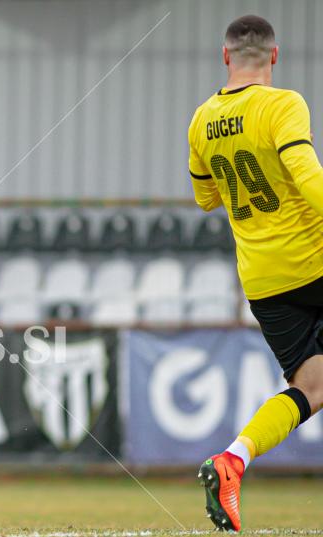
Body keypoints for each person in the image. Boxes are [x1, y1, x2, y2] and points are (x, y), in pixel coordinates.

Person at [189, 14, 323, 532]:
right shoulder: (283, 104)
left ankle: (233, 459)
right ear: (275, 55)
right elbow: (309, 181)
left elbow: (205, 197)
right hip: (313, 260)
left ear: (225, 56)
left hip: (264, 281)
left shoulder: (201, 120)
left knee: (312, 386)